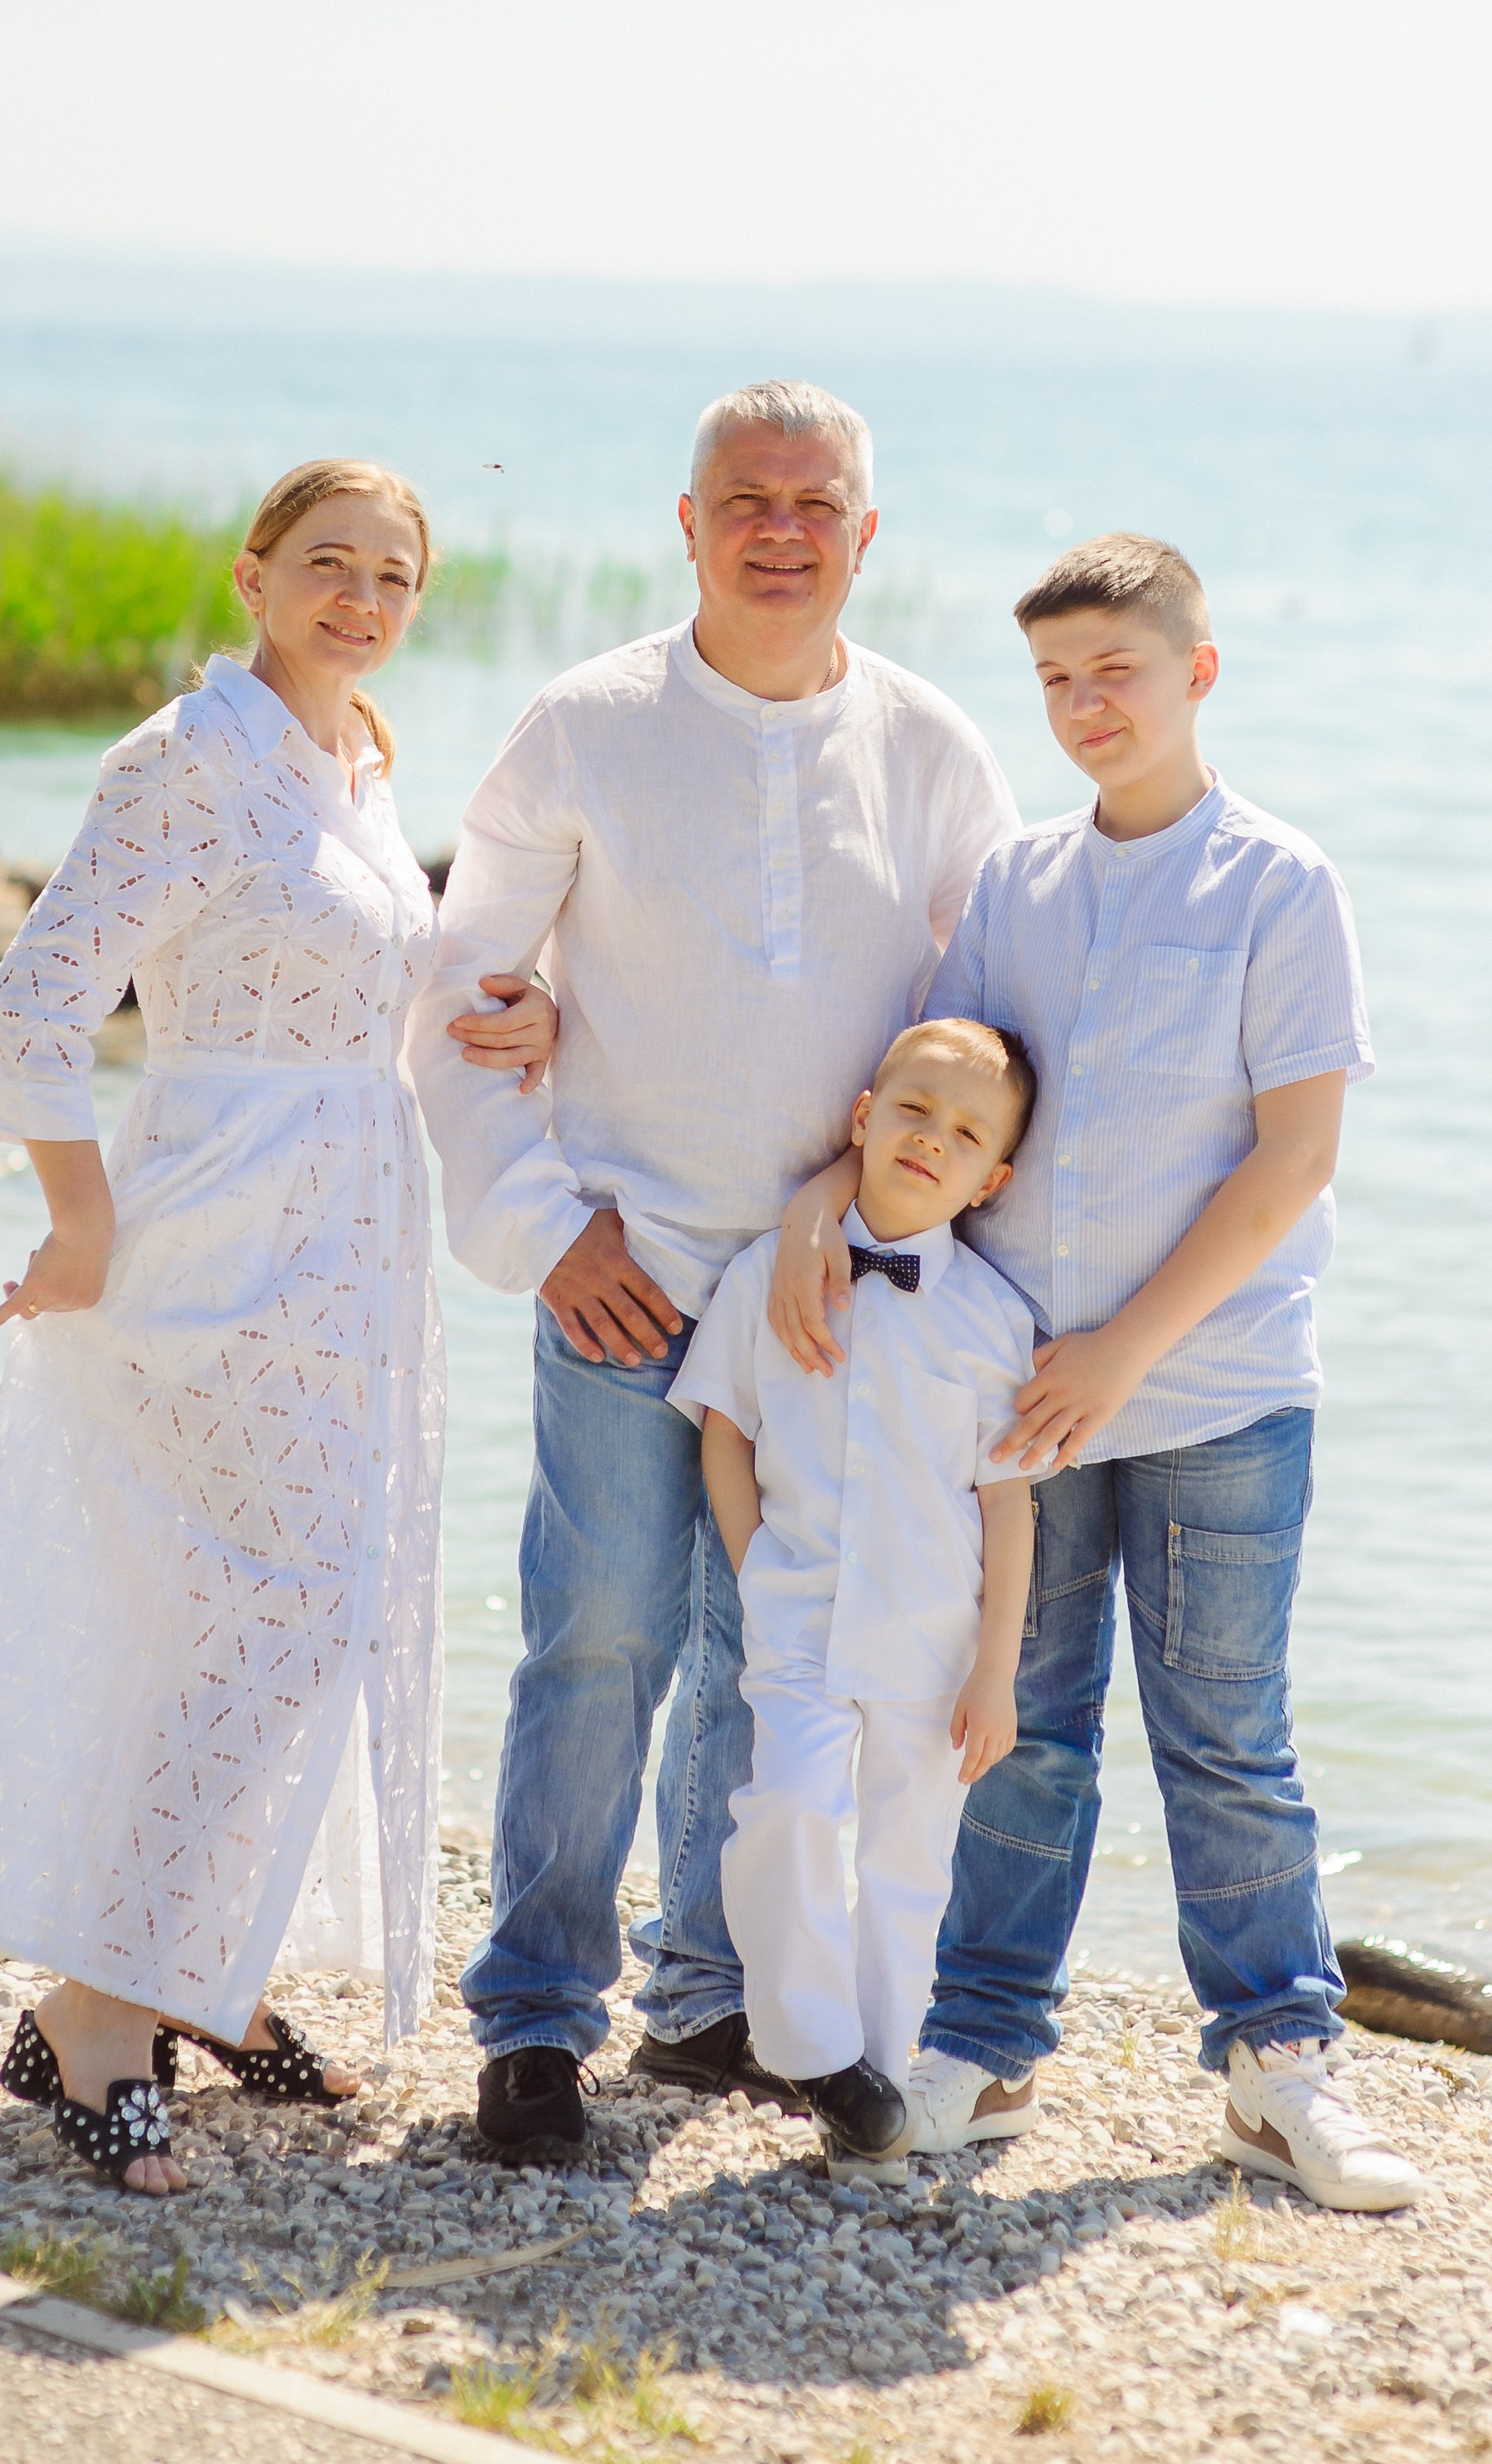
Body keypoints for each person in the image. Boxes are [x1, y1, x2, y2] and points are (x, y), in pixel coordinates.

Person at [0, 459, 551, 2194]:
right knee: (285, 1614)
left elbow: (353, 982)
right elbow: (36, 1000)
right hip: (219, 1238)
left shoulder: (359, 756)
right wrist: (82, 1221)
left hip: (350, 1239)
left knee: (274, 1613)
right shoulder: (188, 760)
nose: (365, 595)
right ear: (255, 574)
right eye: (331, 562)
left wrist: (498, 1014)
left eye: (396, 572)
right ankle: (103, 2006)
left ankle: (200, 1963)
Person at [770, 532, 1421, 2212]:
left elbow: (1291, 1163)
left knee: (1222, 1735)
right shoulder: (1018, 885)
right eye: (1054, 680)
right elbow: (942, 1096)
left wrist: (1125, 1352)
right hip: (1020, 1401)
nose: (1080, 707)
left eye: (1112, 673)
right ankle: (979, 2054)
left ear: (1196, 673)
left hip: (1210, 1392)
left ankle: (1279, 2070)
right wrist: (824, 1200)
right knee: (1022, 1730)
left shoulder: (1279, 883)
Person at [406, 380, 1020, 2157]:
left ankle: (714, 1992)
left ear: (865, 534)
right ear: (686, 522)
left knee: (783, 1647)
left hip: (822, 1300)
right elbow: (464, 996)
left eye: (815, 501)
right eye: (744, 498)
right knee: (598, 1633)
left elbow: (972, 1029)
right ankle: (534, 2016)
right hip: (626, 1262)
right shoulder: (582, 724)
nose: (779, 526)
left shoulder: (934, 749)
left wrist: (849, 1190)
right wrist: (545, 1228)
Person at [670, 1018, 1041, 2181]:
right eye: (914, 1110)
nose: (932, 1141)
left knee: (902, 1863)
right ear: (862, 1117)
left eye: (967, 1133)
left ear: (996, 1179)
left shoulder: (990, 1321)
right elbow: (724, 1431)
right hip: (795, 1618)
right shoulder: (766, 1277)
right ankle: (811, 2048)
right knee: (783, 1808)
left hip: (932, 1643)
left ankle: (870, 2101)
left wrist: (995, 1668)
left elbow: (1009, 1503)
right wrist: (754, 1571)